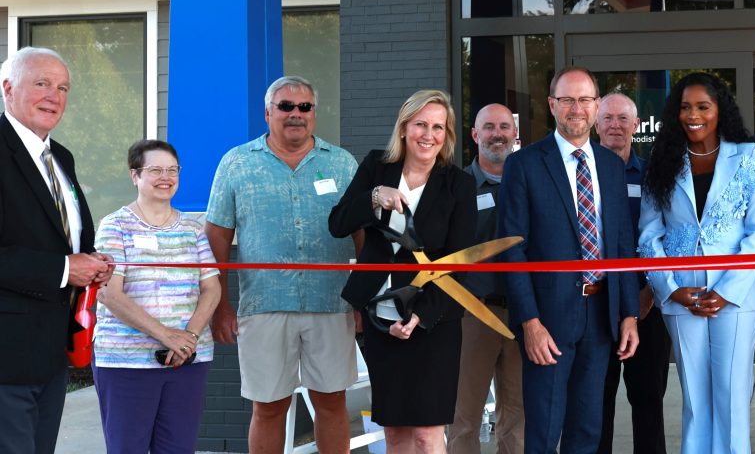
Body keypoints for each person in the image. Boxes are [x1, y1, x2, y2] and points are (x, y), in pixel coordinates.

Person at [205, 75, 361, 453]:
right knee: (269, 406)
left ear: (314, 114)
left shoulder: (341, 163)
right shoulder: (237, 163)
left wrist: (361, 300)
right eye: (286, 107)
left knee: (332, 403)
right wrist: (220, 305)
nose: (296, 114)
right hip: (264, 305)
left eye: (304, 107)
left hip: (331, 304)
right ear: (267, 113)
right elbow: (217, 237)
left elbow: (363, 235)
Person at [498, 66, 640, 454]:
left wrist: (628, 313)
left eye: (584, 99)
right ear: (551, 105)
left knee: (587, 431)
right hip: (548, 320)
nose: (576, 108)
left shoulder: (611, 166)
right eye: (567, 100)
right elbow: (512, 248)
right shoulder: (524, 165)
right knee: (543, 433)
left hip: (601, 316)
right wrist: (529, 322)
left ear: (596, 106)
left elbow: (623, 246)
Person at [331, 89, 478, 453]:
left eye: (438, 127)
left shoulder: (459, 184)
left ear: (447, 135)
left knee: (428, 433)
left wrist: (421, 316)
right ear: (403, 128)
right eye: (420, 125)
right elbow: (337, 222)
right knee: (394, 431)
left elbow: (458, 263)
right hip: (380, 317)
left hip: (434, 320)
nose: (428, 135)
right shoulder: (376, 167)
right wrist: (373, 196)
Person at [638, 72, 755, 454]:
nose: (692, 115)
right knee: (695, 399)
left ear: (719, 111)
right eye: (684, 107)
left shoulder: (750, 156)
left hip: (738, 296)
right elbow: (649, 235)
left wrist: (728, 292)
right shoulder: (662, 161)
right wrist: (669, 288)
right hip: (682, 296)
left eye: (702, 106)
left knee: (732, 396)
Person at [0, 47, 111, 454]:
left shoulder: (61, 156)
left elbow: (68, 236)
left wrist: (94, 261)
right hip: (7, 355)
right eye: (42, 83)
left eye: (62, 87)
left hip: (52, 349)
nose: (54, 95)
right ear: (8, 89)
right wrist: (65, 269)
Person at [92, 139, 220, 453]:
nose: (166, 177)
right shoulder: (115, 226)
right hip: (126, 362)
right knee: (128, 447)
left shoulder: (193, 229)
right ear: (135, 175)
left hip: (186, 360)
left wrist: (187, 338)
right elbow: (109, 294)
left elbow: (212, 288)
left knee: (179, 448)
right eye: (155, 170)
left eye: (172, 170)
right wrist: (166, 335)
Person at [595, 92, 671, 454]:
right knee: (596, 404)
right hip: (595, 307)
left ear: (636, 126)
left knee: (649, 403)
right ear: (596, 123)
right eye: (607, 118)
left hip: (646, 306)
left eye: (623, 119)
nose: (615, 125)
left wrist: (652, 291)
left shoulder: (653, 177)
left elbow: (671, 235)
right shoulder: (582, 174)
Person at [449, 103, 525, 454]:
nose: (498, 134)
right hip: (473, 315)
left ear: (515, 134)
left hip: (524, 316)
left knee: (518, 414)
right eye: (489, 127)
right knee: (464, 415)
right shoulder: (456, 186)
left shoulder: (529, 183)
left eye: (504, 127)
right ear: (476, 135)